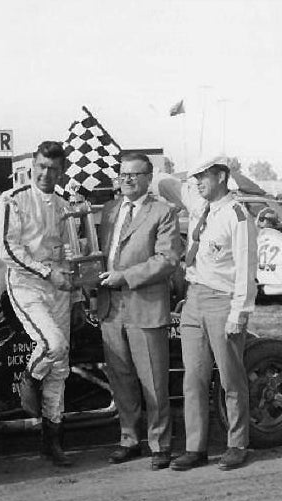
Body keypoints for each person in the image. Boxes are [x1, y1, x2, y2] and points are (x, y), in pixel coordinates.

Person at [0, 140, 84, 467]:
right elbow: (7, 249)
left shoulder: (63, 205)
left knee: (59, 368)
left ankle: (51, 441)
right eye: (41, 167)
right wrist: (46, 272)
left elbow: (71, 253)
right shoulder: (12, 199)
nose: (46, 174)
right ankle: (29, 378)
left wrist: (76, 297)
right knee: (53, 345)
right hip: (27, 286)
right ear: (32, 165)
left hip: (60, 289)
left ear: (61, 171)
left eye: (53, 169)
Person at [171, 156, 257, 471]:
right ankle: (195, 448)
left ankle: (237, 444)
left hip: (223, 301)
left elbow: (247, 270)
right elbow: (166, 182)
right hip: (193, 299)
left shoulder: (238, 216)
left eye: (204, 177)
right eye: (195, 178)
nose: (198, 183)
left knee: (230, 379)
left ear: (221, 176)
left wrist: (240, 313)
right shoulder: (200, 207)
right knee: (193, 378)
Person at [97, 153, 181, 470]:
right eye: (123, 175)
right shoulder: (109, 210)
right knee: (121, 378)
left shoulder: (163, 212)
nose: (127, 180)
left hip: (144, 304)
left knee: (153, 379)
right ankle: (129, 439)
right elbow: (103, 254)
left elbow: (167, 259)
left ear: (148, 177)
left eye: (134, 174)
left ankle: (160, 444)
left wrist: (126, 276)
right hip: (110, 306)